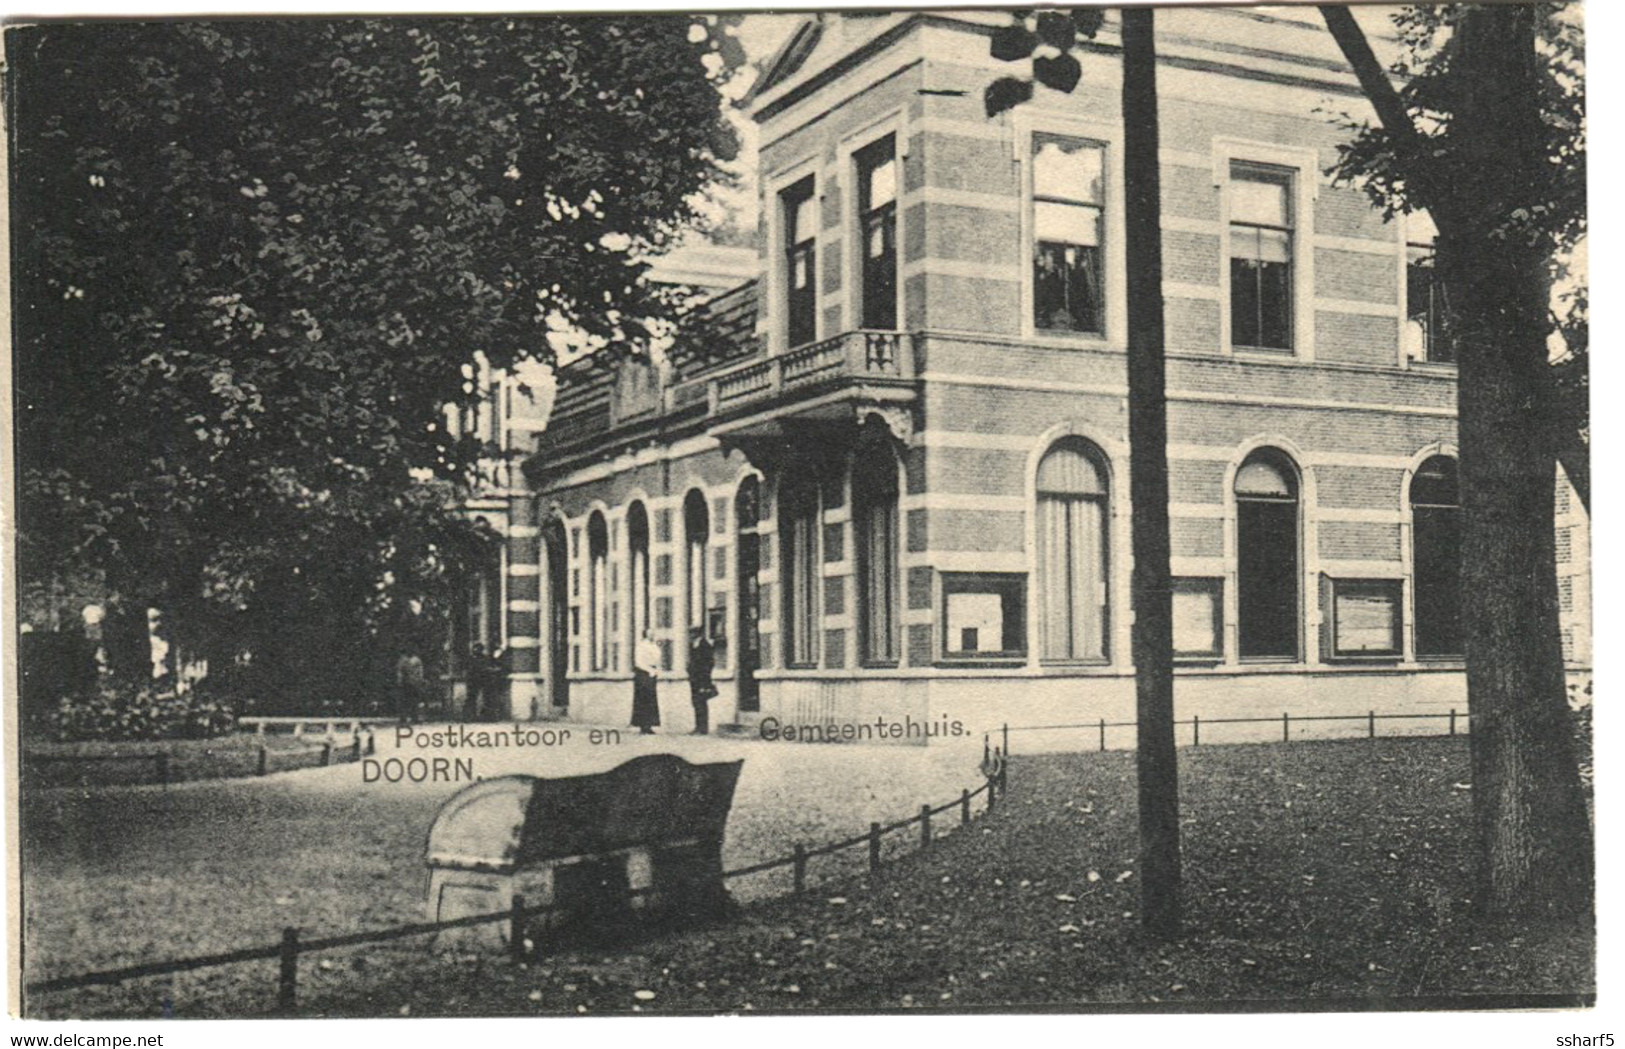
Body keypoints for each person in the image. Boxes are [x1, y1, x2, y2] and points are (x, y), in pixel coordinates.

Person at [687, 628, 717, 735]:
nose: (691, 635)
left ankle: (703, 728)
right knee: (696, 702)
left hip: (702, 679)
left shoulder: (705, 645)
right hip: (694, 679)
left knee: (701, 703)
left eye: (693, 633)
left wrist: (705, 677)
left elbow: (709, 662)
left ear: (698, 634)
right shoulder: (693, 645)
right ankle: (698, 726)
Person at [631, 630, 661, 734]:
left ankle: (649, 724)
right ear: (645, 634)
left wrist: (656, 669)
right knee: (643, 699)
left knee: (651, 699)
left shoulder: (654, 645)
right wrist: (649, 670)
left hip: (652, 673)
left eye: (653, 633)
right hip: (643, 673)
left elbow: (656, 659)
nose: (652, 635)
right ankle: (643, 725)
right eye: (650, 633)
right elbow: (639, 662)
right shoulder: (641, 646)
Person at [395, 650, 426, 725]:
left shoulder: (414, 660)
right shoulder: (404, 660)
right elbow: (400, 671)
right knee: (406, 701)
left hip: (413, 683)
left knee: (413, 701)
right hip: (407, 683)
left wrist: (420, 680)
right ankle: (405, 718)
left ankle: (412, 717)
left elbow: (420, 671)